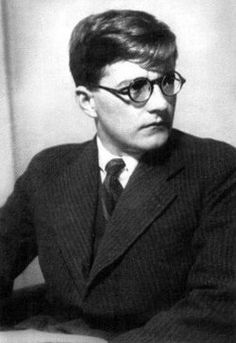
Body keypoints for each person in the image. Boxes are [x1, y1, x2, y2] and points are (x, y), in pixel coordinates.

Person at [0, 9, 235, 343]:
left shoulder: (216, 167)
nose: (160, 103)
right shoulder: (48, 171)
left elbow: (221, 307)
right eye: (136, 88)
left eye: (166, 81)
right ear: (87, 101)